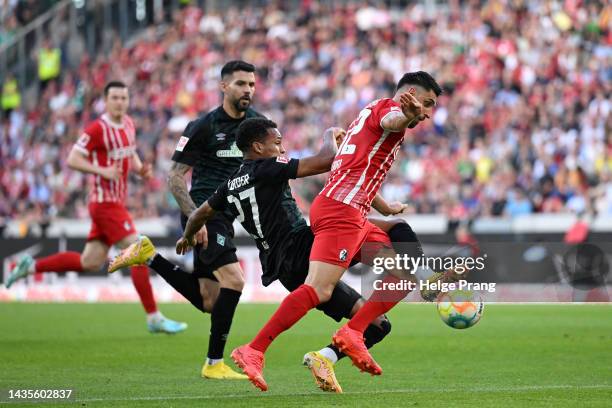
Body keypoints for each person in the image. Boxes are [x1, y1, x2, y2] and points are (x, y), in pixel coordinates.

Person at [116, 118, 425, 392]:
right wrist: (330, 134)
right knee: (381, 230)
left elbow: (200, 213)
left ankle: (324, 357)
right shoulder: (267, 169)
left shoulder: (229, 185)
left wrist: (186, 236)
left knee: (377, 324)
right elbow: (327, 161)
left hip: (285, 264)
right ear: (257, 147)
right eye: (276, 143)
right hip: (299, 247)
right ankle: (255, 348)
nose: (281, 148)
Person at [229, 71, 444, 391]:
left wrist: (384, 208)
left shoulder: (367, 116)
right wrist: (405, 115)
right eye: (426, 104)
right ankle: (254, 349)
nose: (427, 113)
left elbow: (351, 165)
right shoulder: (387, 109)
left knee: (403, 270)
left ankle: (350, 335)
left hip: (350, 212)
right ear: (409, 94)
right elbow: (394, 120)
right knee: (319, 288)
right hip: (340, 211)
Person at [111, 60, 265, 380]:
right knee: (234, 281)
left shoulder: (258, 124)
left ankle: (149, 256)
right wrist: (196, 219)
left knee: (210, 301)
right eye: (240, 83)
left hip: (228, 217)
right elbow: (176, 177)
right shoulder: (204, 125)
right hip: (206, 215)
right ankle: (214, 363)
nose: (247, 89)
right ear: (224, 87)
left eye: (251, 84)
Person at [5, 81, 187, 334]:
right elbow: (73, 158)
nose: (120, 102)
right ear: (105, 100)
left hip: (114, 203)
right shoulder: (97, 128)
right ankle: (153, 317)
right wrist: (101, 170)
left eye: (124, 98)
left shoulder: (128, 124)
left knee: (90, 261)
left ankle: (31, 266)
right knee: (139, 251)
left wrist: (139, 169)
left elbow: (129, 153)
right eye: (115, 98)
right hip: (104, 203)